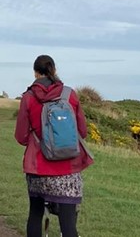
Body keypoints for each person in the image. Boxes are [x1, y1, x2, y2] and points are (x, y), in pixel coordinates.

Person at [14, 55, 93, 237]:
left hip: (38, 168)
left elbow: (21, 136)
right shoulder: (69, 94)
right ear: (54, 70)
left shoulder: (28, 97)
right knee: (68, 222)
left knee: (35, 215)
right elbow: (82, 131)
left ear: (35, 73)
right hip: (68, 169)